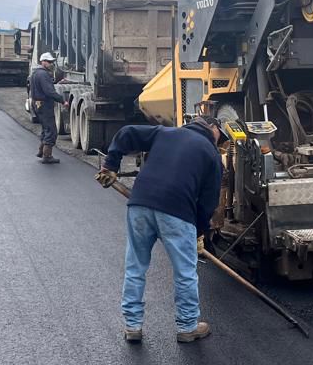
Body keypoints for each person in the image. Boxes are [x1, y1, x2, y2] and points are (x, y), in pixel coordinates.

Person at [95, 115, 223, 343]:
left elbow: (126, 132)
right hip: (176, 210)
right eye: (220, 135)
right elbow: (208, 202)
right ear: (212, 128)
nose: (219, 140)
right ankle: (187, 327)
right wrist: (199, 232)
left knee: (135, 267)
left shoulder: (165, 133)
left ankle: (132, 326)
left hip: (139, 203)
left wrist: (110, 165)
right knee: (185, 272)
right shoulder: (211, 153)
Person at [30, 52, 64, 164]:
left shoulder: (35, 73)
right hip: (44, 105)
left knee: (45, 128)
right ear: (42, 61)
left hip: (37, 103)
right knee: (51, 130)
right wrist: (62, 100)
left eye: (51, 62)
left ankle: (41, 151)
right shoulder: (43, 74)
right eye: (48, 62)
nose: (50, 64)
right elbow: (49, 91)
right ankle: (47, 155)